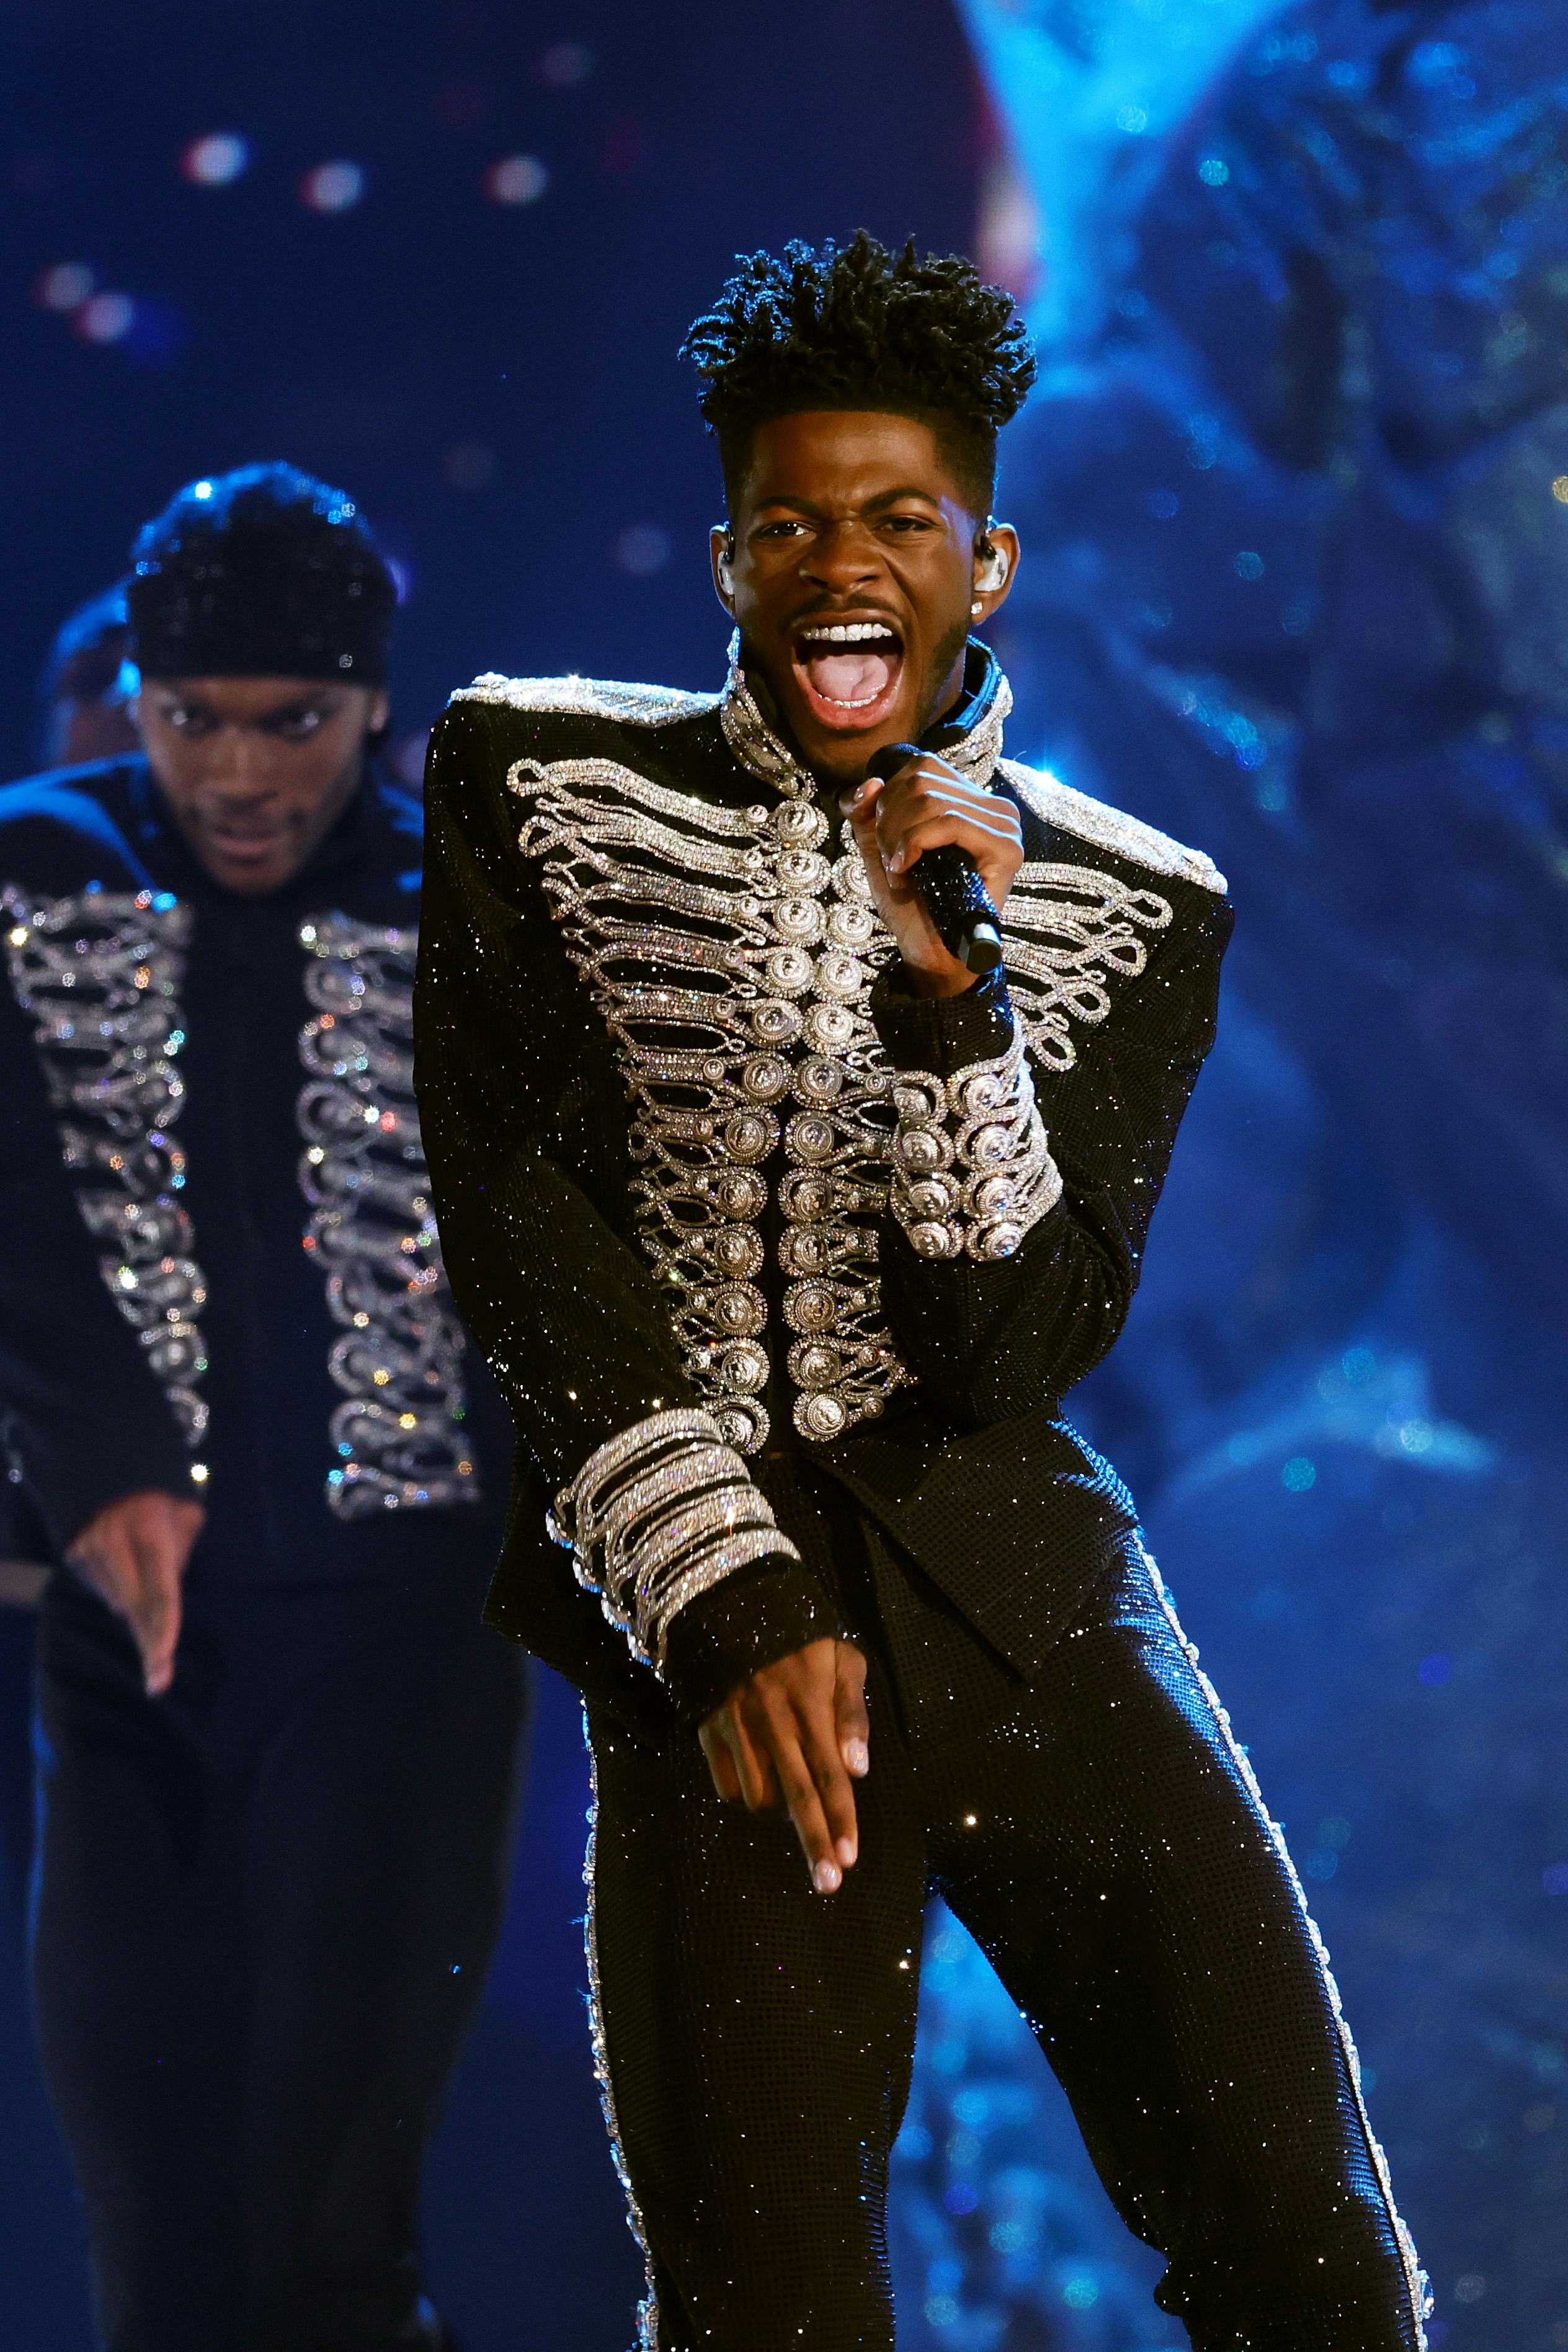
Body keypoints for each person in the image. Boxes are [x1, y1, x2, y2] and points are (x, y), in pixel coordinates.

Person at [414, 234, 1429, 2351]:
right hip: (711, 1642)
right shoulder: (535, 781)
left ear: (991, 556)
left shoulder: (1140, 903)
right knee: (768, 2299)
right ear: (724, 563)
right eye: (788, 524)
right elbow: (517, 1223)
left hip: (1032, 1612)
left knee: (1309, 2253)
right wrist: (728, 1603)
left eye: (895, 520)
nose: (836, 566)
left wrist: (954, 1000)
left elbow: (1018, 1345)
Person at [0, 463, 523, 2352]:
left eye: (290, 723)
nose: (236, 775)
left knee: (332, 2249)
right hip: (119, 1665)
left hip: (404, 1651)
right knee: (154, 2246)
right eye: (189, 720)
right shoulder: (33, 869)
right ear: (130, 694)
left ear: (376, 699)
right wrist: (105, 1461)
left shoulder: (488, 894)